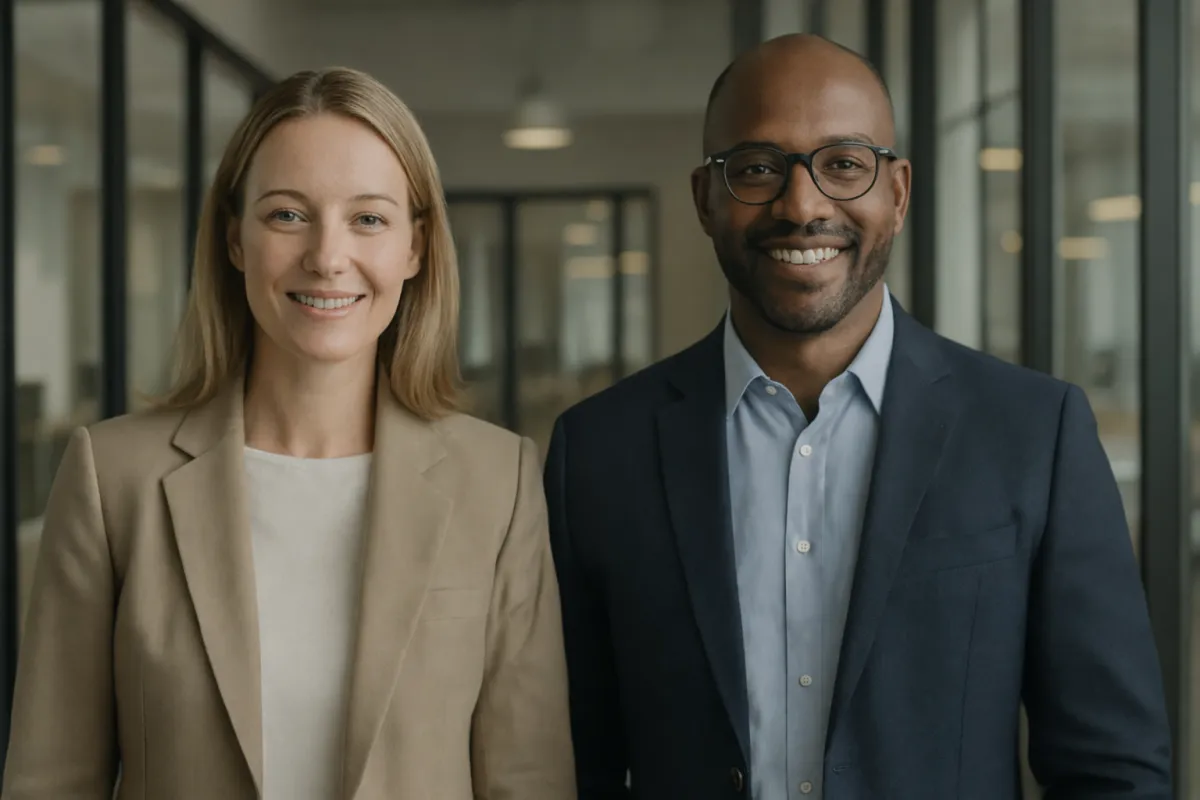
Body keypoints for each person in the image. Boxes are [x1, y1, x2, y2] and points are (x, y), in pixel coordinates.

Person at [544, 33, 1171, 800]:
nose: (802, 205)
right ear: (706, 199)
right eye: (757, 168)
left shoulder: (1034, 435)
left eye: (844, 164)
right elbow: (574, 766)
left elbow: (1112, 771)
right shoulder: (599, 451)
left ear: (898, 194)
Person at [4, 67, 576, 800]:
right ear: (235, 238)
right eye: (286, 215)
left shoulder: (498, 480)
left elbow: (528, 782)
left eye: (368, 218)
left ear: (416, 247)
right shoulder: (113, 479)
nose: (327, 256)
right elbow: (49, 781)